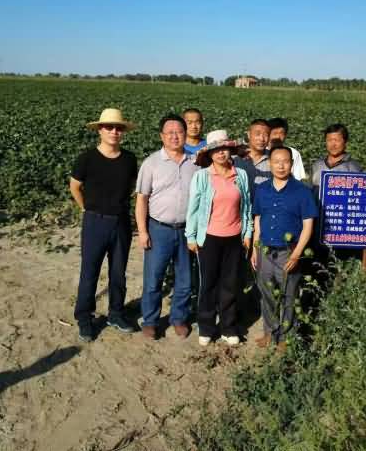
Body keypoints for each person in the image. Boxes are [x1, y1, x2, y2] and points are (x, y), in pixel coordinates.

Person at [70, 108, 138, 342]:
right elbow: (75, 186)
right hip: (95, 222)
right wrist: (85, 208)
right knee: (90, 272)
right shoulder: (86, 158)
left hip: (121, 222)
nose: (114, 131)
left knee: (118, 272)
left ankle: (116, 314)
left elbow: (131, 186)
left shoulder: (129, 159)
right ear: (100, 130)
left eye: (118, 128)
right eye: (109, 127)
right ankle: (84, 318)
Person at [185, 130, 253, 346]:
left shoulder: (240, 175)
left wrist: (248, 232)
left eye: (224, 149)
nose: (221, 153)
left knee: (230, 284)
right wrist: (191, 236)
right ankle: (206, 326)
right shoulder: (202, 176)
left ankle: (228, 327)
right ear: (209, 154)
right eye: (216, 150)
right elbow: (193, 208)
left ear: (230, 151)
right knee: (208, 284)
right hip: (209, 238)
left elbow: (247, 207)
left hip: (234, 238)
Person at [136, 114, 200, 340]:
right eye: (170, 132)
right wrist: (143, 231)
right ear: (161, 136)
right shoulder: (151, 163)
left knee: (185, 279)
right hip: (159, 229)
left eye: (179, 132)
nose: (175, 136)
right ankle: (150, 321)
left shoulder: (195, 162)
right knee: (154, 278)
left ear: (185, 134)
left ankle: (179, 318)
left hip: (186, 230)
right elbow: (142, 199)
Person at [250, 145, 318, 350]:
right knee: (267, 294)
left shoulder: (302, 192)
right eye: (276, 161)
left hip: (288, 252)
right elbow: (258, 220)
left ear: (292, 164)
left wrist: (296, 254)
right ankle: (270, 332)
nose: (281, 166)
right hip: (265, 250)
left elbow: (308, 225)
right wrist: (254, 248)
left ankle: (286, 338)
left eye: (285, 161)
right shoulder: (262, 190)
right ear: (270, 164)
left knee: (289, 295)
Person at [310, 123, 362, 200]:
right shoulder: (316, 165)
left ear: (345, 142)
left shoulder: (353, 167)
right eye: (329, 140)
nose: (333, 144)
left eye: (337, 140)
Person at [234, 118, 272, 197]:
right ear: (248, 134)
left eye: (266, 135)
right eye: (257, 134)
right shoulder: (235, 158)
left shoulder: (273, 159)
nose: (262, 139)